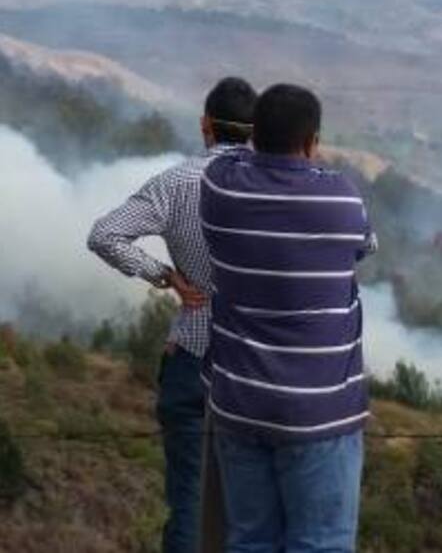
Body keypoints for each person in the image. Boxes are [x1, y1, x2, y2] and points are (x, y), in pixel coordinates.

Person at [201, 83, 375, 553]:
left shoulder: (218, 185)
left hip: (239, 404)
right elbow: (364, 247)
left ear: (255, 135)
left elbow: (226, 156)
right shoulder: (340, 199)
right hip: (319, 413)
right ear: (312, 141)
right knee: (320, 543)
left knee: (249, 541)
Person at [87, 76, 256, 553]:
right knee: (257, 509)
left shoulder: (176, 181)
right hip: (264, 367)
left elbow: (105, 235)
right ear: (256, 130)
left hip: (194, 355)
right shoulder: (278, 185)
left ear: (205, 125)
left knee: (189, 503)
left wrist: (165, 276)